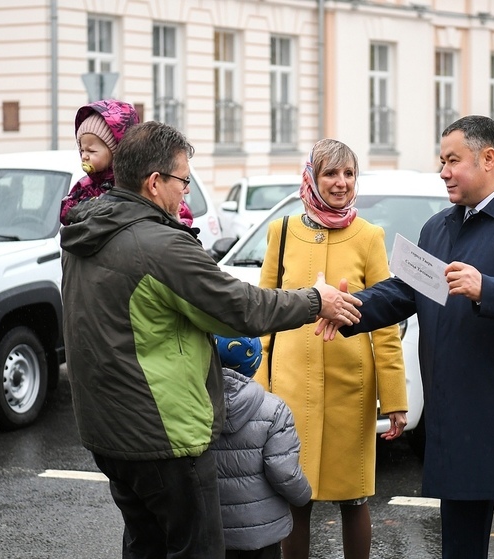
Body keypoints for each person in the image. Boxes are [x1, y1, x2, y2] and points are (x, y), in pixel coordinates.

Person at [59, 120, 362, 558]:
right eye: (183, 180)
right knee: (195, 549)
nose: (186, 191)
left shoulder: (85, 228)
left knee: (145, 546)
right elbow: (240, 309)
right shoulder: (159, 244)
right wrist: (317, 300)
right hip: (163, 435)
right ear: (154, 182)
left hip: (105, 429)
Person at [330, 115, 494, 559]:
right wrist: (346, 309)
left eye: (452, 161)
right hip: (460, 429)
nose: (443, 171)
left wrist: (489, 289)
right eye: (441, 161)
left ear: (489, 159)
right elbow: (403, 291)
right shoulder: (438, 228)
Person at [254, 138, 408, 559]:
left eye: (349, 173)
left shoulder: (369, 236)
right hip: (287, 387)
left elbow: (386, 324)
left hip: (351, 388)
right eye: (330, 173)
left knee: (354, 498)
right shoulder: (280, 232)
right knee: (294, 498)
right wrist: (257, 386)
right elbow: (263, 314)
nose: (341, 183)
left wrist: (394, 398)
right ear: (311, 177)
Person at [210, 335, 311, 559]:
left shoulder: (195, 405)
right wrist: (304, 495)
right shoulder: (274, 409)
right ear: (255, 363)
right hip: (262, 531)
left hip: (211, 528)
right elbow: (283, 471)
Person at [59, 99, 140, 225]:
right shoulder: (85, 186)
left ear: (115, 151)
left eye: (91, 151)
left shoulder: (135, 183)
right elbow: (66, 212)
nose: (84, 156)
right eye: (82, 150)